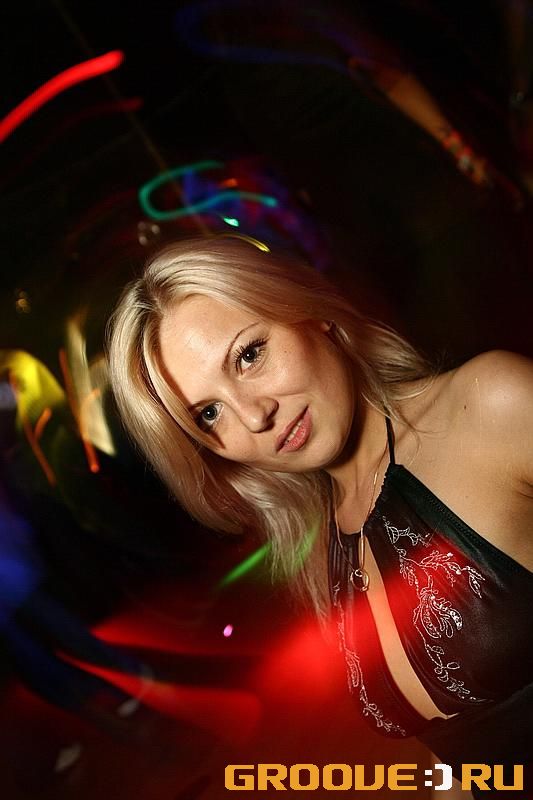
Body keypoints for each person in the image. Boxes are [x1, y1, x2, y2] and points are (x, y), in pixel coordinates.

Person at [107, 235, 533, 797]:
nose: (254, 416)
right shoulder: (326, 549)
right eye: (208, 413)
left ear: (312, 313)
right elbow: (462, 746)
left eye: (249, 355)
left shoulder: (492, 406)